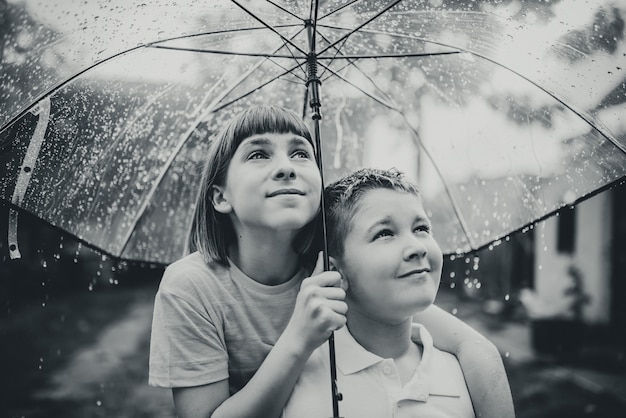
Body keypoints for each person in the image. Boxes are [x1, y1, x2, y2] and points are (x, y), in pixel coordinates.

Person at [149, 105, 514, 418]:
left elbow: (474, 347)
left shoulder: (336, 268)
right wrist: (299, 338)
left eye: (300, 153)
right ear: (220, 197)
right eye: (259, 154)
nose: (286, 168)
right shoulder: (190, 287)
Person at [284, 168, 514, 417]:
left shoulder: (467, 376)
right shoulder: (297, 383)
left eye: (421, 228)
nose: (417, 248)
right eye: (385, 233)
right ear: (334, 270)